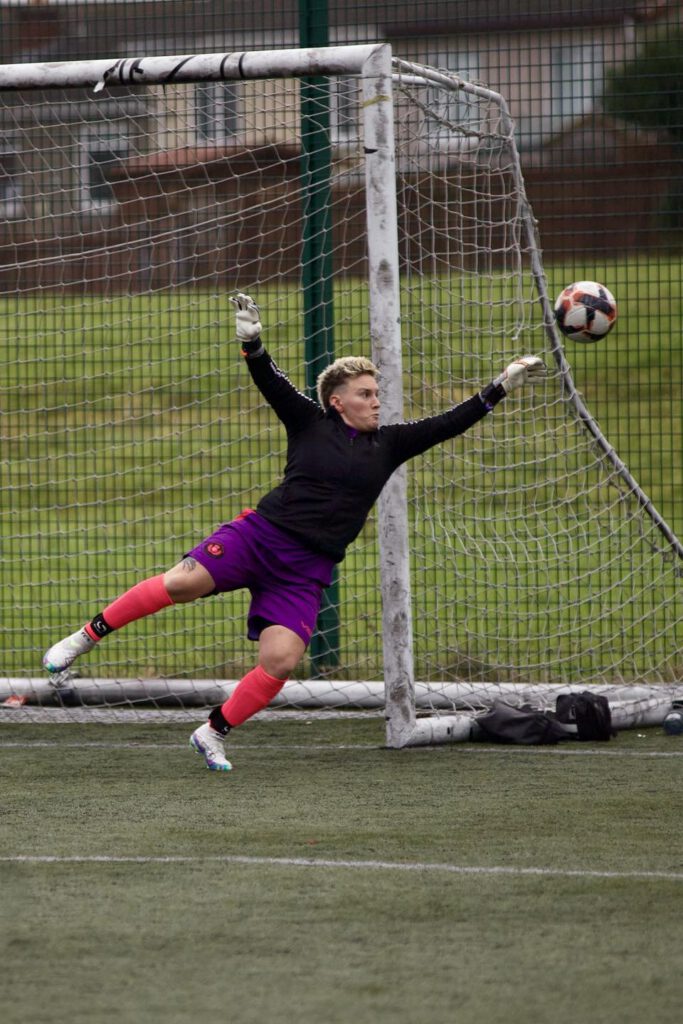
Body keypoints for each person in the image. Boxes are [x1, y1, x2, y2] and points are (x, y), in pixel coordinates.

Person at [43, 293, 546, 771]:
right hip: (260, 536)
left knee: (281, 661)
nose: (376, 401)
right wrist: (252, 340)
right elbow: (270, 380)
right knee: (181, 583)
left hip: (306, 570)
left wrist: (500, 385)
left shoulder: (391, 444)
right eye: (365, 394)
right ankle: (82, 640)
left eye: (377, 393)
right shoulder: (308, 421)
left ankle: (212, 731)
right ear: (336, 401)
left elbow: (449, 422)